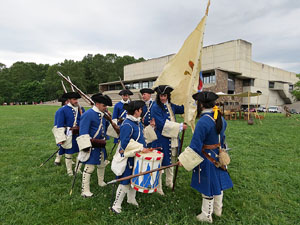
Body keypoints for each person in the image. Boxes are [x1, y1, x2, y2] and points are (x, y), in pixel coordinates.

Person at [178, 91, 233, 223]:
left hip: (207, 158)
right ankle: (218, 210)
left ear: (201, 104)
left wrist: (183, 160)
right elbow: (223, 138)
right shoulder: (220, 118)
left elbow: (196, 145)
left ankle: (206, 215)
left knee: (207, 186)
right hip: (218, 155)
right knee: (217, 184)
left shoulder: (203, 121)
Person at [111, 100, 149, 214]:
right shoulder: (127, 124)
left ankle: (131, 199)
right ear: (136, 111)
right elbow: (125, 143)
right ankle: (116, 205)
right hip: (128, 158)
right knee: (125, 182)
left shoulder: (137, 123)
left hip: (135, 157)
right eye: (141, 109)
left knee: (134, 178)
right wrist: (141, 148)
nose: (142, 111)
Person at [151, 85, 187, 195]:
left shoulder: (170, 105)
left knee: (171, 160)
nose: (163, 98)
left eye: (165, 95)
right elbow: (162, 124)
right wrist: (180, 127)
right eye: (161, 95)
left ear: (168, 96)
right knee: (161, 164)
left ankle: (169, 182)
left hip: (172, 138)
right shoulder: (155, 107)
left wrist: (189, 101)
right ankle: (158, 186)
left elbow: (182, 109)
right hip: (161, 139)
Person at [76, 93, 112, 197]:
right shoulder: (88, 114)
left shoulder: (103, 114)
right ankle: (85, 190)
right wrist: (86, 147)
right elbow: (83, 132)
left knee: (102, 164)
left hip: (101, 144)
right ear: (97, 104)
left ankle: (101, 182)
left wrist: (110, 117)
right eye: (104, 105)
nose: (106, 108)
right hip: (91, 145)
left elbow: (107, 128)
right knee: (89, 168)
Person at [55, 92, 85, 176]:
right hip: (69, 134)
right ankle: (69, 172)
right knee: (69, 153)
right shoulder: (62, 110)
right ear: (69, 100)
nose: (76, 101)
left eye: (77, 99)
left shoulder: (81, 109)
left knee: (81, 152)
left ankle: (77, 169)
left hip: (79, 134)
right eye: (74, 99)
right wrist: (61, 138)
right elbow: (60, 126)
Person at [53, 93, 69, 166]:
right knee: (62, 145)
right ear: (66, 102)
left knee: (69, 145)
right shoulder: (61, 111)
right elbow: (58, 124)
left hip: (70, 130)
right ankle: (58, 159)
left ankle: (68, 158)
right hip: (62, 129)